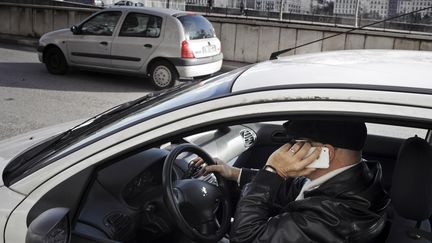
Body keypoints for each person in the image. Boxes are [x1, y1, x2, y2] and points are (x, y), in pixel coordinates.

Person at [193, 120, 390, 243]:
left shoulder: (331, 217)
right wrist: (234, 173)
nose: (289, 149)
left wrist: (273, 170)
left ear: (325, 153)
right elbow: (294, 188)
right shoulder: (355, 179)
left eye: (298, 143)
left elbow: (245, 237)